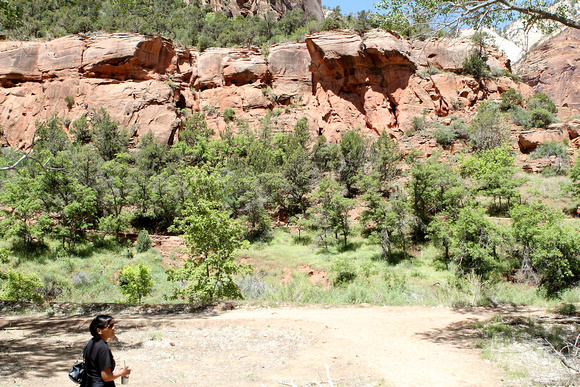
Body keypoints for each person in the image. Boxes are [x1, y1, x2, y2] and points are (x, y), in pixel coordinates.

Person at [82, 315, 131, 386]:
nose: (113, 328)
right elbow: (106, 377)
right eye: (110, 326)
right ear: (99, 331)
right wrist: (122, 372)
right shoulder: (103, 348)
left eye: (113, 325)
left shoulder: (91, 342)